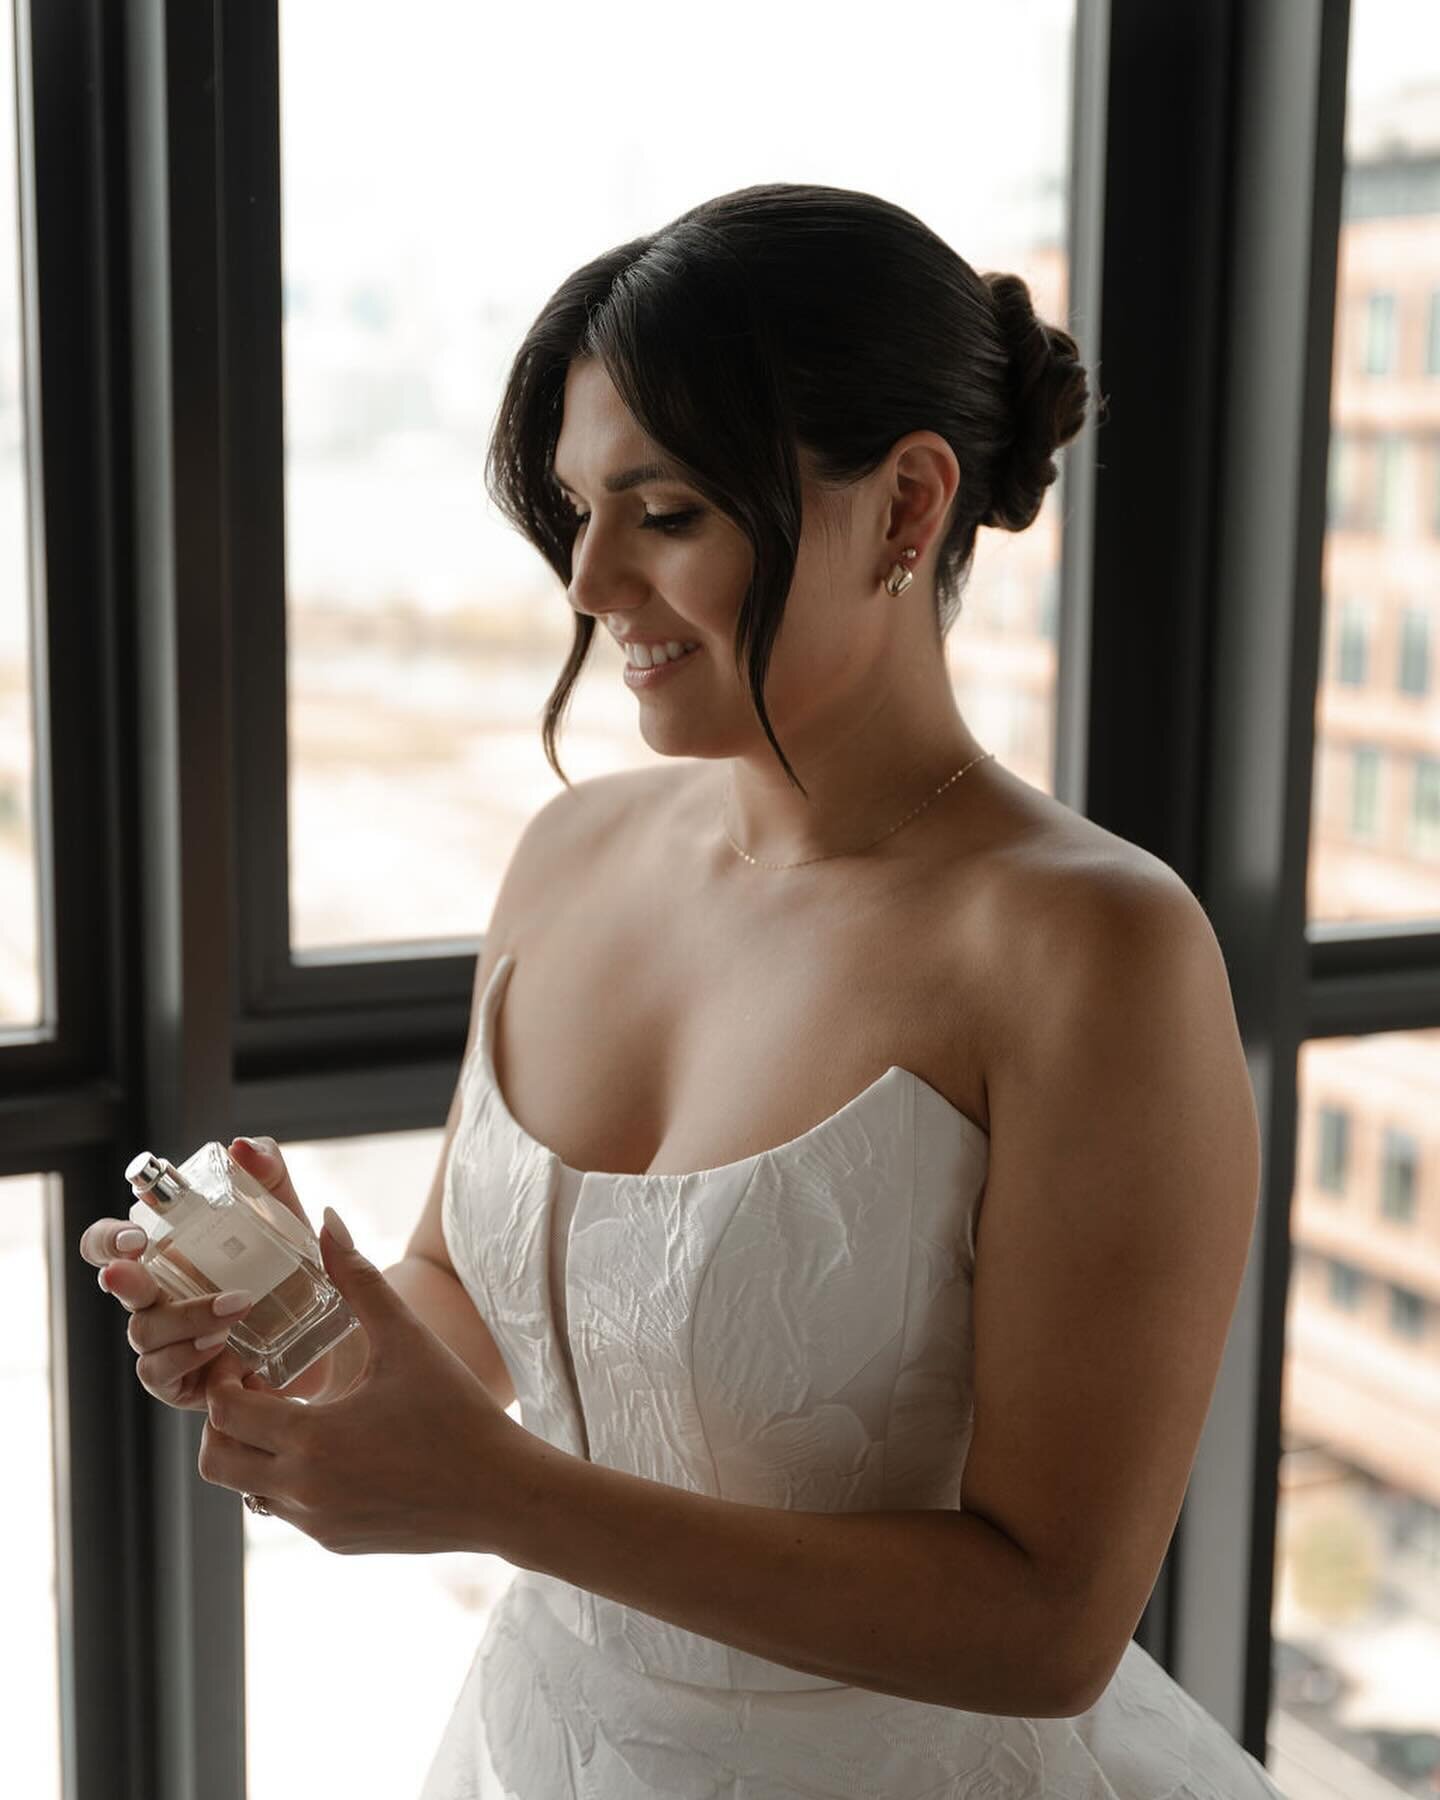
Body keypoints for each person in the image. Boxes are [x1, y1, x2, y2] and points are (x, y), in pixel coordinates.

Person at [81, 183, 1288, 1798]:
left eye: (663, 515)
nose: (587, 582)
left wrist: (503, 1498)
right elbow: (468, 1294)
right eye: (578, 510)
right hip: (553, 1744)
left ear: (909, 507)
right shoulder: (571, 854)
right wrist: (294, 1314)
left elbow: (1053, 1624)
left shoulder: (1092, 950)